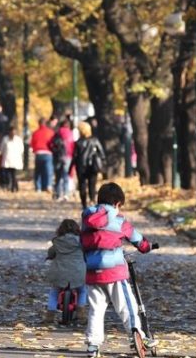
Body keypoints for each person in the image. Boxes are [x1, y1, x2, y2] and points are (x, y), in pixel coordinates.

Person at [81, 182, 153, 358]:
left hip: (92, 271)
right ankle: (137, 335)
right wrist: (147, 246)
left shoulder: (86, 217)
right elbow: (137, 240)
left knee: (96, 310)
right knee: (127, 306)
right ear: (117, 203)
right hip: (115, 273)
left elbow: (82, 241)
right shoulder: (119, 220)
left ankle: (93, 345)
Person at [44, 219, 87, 324]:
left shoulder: (57, 241)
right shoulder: (82, 242)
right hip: (78, 272)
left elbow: (51, 252)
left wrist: (50, 256)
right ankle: (81, 312)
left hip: (60, 272)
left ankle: (50, 315)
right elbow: (87, 253)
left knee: (54, 292)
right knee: (82, 290)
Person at [72, 121, 105, 209]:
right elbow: (102, 154)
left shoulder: (78, 142)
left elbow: (75, 156)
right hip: (93, 166)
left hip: (81, 166)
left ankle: (84, 204)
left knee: (82, 185)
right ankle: (92, 200)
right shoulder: (95, 140)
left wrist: (71, 167)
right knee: (92, 184)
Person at [30, 118, 55, 193]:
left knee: (38, 171)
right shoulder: (50, 132)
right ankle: (48, 185)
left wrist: (34, 150)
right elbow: (53, 143)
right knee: (48, 170)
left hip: (38, 153)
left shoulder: (35, 133)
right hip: (48, 153)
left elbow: (32, 143)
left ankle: (38, 187)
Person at [0, 126, 24, 192]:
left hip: (11, 159)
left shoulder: (8, 139)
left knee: (11, 174)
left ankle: (12, 186)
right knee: (12, 174)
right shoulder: (7, 139)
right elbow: (22, 150)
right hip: (11, 159)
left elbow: (1, 149)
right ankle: (13, 186)